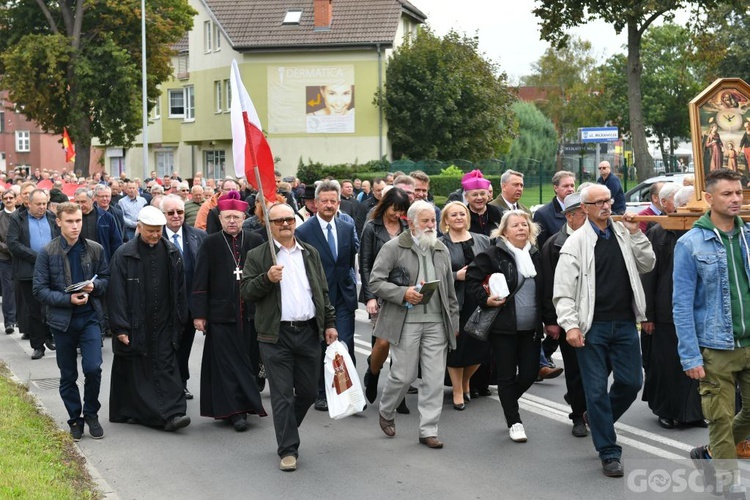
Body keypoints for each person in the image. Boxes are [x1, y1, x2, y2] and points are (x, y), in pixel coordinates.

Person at [553, 184, 655, 477]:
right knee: (595, 390)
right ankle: (609, 452)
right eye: (598, 202)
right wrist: (570, 325)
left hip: (625, 323)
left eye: (608, 201)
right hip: (592, 327)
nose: (606, 206)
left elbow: (647, 264)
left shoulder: (624, 233)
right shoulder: (575, 244)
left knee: (631, 382)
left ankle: (596, 419)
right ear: (584, 208)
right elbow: (562, 292)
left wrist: (637, 234)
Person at [240, 203, 338, 472]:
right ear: (268, 226)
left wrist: (329, 323)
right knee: (282, 396)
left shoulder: (310, 253)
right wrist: (266, 278)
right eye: (278, 221)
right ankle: (288, 449)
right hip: (275, 336)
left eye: (289, 219)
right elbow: (246, 291)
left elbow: (322, 292)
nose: (285, 224)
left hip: (308, 332)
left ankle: (285, 429)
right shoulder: (259, 255)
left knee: (306, 393)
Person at [673, 169, 750, 492]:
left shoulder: (748, 236)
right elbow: (681, 304)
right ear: (709, 198)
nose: (735, 199)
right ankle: (727, 483)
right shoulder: (690, 244)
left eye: (738, 193)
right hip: (715, 346)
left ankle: (710, 453)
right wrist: (690, 355)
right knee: (719, 418)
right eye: (727, 194)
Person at [370, 200, 459, 449]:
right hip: (405, 321)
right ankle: (387, 409)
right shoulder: (394, 247)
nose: (431, 225)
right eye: (425, 221)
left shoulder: (440, 248)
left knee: (433, 379)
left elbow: (449, 291)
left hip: (437, 323)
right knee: (404, 375)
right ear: (410, 222)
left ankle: (428, 429)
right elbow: (375, 282)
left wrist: (454, 322)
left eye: (433, 220)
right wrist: (403, 292)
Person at [107, 206, 191, 431]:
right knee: (137, 370)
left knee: (166, 366)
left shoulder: (172, 252)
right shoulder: (124, 254)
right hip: (136, 323)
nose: (155, 235)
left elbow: (181, 289)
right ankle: (140, 413)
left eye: (158, 231)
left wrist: (181, 319)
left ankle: (172, 413)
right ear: (139, 227)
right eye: (150, 231)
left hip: (164, 322)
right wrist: (120, 327)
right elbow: (116, 293)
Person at [466, 210, 544, 443]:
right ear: (504, 231)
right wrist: (485, 298)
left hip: (531, 329)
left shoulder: (536, 255)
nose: (521, 228)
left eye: (524, 224)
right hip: (503, 328)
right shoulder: (493, 254)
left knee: (530, 373)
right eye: (515, 225)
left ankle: (508, 399)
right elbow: (471, 279)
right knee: (507, 376)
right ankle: (514, 421)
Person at [33, 202, 109, 441]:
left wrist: (94, 285)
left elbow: (106, 278)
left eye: (78, 221)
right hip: (62, 321)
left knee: (93, 368)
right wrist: (68, 300)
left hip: (90, 318)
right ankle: (74, 419)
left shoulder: (95, 249)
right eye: (69, 221)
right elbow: (39, 290)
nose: (75, 226)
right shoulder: (48, 252)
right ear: (58, 222)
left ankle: (91, 413)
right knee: (68, 375)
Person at [191, 192, 267, 431]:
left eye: (236, 217)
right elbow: (200, 279)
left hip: (251, 313)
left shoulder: (255, 240)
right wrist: (199, 314)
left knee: (248, 361)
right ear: (220, 219)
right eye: (227, 217)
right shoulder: (210, 242)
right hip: (220, 314)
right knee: (227, 364)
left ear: (244, 218)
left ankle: (245, 405)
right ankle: (234, 411)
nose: (232, 221)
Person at [639, 183, 704, 430]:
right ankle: (665, 410)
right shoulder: (659, 232)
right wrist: (648, 315)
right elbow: (650, 275)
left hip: (696, 309)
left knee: (694, 364)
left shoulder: (703, 232)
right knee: (667, 364)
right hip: (666, 310)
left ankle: (692, 413)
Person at [295, 180, 359, 412]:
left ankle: (348, 393)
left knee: (346, 345)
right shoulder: (303, 231)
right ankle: (322, 393)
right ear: (315, 204)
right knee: (323, 346)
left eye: (333, 201)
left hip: (343, 296)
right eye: (324, 201)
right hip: (318, 299)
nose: (329, 205)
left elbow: (349, 259)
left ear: (339, 202)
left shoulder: (346, 227)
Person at [541, 192, 589, 438]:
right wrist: (552, 320)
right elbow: (549, 285)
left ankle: (579, 400)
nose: (589, 219)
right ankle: (578, 415)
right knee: (575, 369)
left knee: (604, 367)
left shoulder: (598, 239)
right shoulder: (554, 244)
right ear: (570, 217)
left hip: (596, 317)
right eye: (584, 214)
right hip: (568, 318)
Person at [360, 188, 411, 412]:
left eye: (402, 211)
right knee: (382, 342)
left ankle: (398, 395)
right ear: (385, 204)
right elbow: (365, 263)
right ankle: (373, 373)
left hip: (404, 292)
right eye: (394, 209)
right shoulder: (372, 227)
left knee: (402, 346)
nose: (396, 214)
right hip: (380, 292)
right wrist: (370, 297)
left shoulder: (407, 228)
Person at [438, 201, 490, 410]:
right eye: (454, 215)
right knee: (457, 349)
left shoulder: (483, 240)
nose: (459, 217)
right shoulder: (440, 244)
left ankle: (467, 380)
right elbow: (433, 274)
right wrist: (455, 276)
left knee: (481, 347)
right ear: (446, 220)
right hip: (455, 302)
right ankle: (458, 389)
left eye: (462, 214)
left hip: (480, 301)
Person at [161, 195, 207, 400]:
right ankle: (166, 385)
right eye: (170, 213)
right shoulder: (155, 236)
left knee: (184, 348)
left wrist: (201, 310)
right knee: (166, 347)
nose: (176, 216)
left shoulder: (199, 236)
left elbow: (205, 274)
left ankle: (182, 383)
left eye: (179, 212)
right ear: (163, 215)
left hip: (189, 305)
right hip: (163, 306)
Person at [7, 189, 60, 359]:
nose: (42, 207)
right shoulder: (17, 218)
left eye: (44, 203)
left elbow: (60, 239)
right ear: (28, 203)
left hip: (51, 270)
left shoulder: (52, 217)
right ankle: (38, 345)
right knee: (34, 309)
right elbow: (13, 244)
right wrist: (38, 257)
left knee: (51, 306)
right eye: (38, 204)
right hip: (27, 271)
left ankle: (49, 336)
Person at [73, 188, 122, 262]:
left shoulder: (106, 217)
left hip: (102, 262)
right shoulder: (71, 218)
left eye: (83, 202)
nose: (80, 205)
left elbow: (116, 243)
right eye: (77, 202)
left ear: (92, 200)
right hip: (78, 261)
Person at [533, 171, 576, 248]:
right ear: (556, 188)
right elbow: (541, 247)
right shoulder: (542, 214)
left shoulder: (582, 210)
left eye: (572, 186)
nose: (570, 189)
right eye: (566, 186)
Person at [462, 170, 503, 237]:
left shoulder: (499, 213)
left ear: (488, 195)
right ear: (466, 197)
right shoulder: (463, 216)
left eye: (482, 194)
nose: (479, 198)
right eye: (475, 195)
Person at [0, 189, 18, 334]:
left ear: (15, 199)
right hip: (5, 258)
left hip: (21, 258)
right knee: (8, 290)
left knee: (22, 289)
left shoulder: (21, 215)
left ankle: (20, 319)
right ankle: (9, 321)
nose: (9, 200)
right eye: (6, 198)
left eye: (11, 197)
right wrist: (10, 248)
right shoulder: (0, 216)